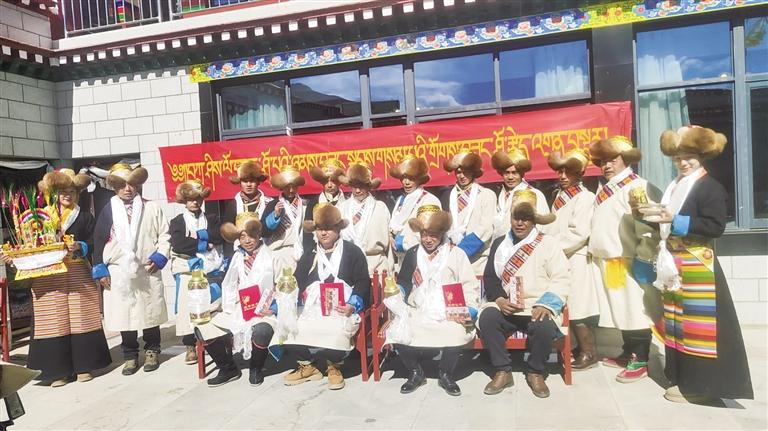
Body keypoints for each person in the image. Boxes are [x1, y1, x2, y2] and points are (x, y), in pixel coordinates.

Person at [646, 126, 752, 403]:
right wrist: (651, 217)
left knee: (697, 328)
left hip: (696, 263)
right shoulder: (676, 185)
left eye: (689, 156)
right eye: (678, 157)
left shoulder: (710, 187)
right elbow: (670, 220)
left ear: (701, 156)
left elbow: (716, 227)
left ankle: (699, 387)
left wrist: (674, 221)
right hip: (675, 263)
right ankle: (680, 377)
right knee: (676, 323)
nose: (683, 162)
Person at [0, 169, 111, 387]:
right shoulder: (37, 216)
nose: (67, 195)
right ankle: (57, 371)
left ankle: (84, 366)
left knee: (81, 316)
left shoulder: (84, 216)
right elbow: (28, 244)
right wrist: (14, 257)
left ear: (77, 193)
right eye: (62, 192)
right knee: (53, 319)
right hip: (47, 275)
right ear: (53, 193)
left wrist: (81, 245)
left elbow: (96, 241)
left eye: (72, 191)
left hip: (77, 271)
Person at [478, 190, 568, 398]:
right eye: (516, 218)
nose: (520, 223)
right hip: (506, 305)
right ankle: (502, 370)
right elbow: (490, 277)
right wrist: (499, 299)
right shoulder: (499, 243)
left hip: (535, 304)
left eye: (525, 218)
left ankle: (535, 371)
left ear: (534, 220)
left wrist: (545, 304)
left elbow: (562, 277)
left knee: (544, 326)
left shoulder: (548, 243)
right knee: (488, 318)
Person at [587, 136, 660, 383]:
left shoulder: (636, 186)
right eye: (602, 161)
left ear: (626, 160)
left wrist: (644, 258)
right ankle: (628, 351)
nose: (606, 165)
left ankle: (640, 358)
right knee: (620, 310)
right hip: (608, 259)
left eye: (612, 160)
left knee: (634, 309)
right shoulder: (606, 187)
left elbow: (649, 228)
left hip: (628, 260)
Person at [390, 205, 479, 396]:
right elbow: (404, 280)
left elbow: (469, 284)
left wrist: (469, 309)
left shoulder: (456, 253)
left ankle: (446, 374)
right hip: (418, 308)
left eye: (433, 235)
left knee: (456, 332)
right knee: (397, 331)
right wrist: (399, 292)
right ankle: (416, 372)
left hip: (448, 309)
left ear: (442, 233)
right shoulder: (413, 253)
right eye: (424, 234)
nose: (428, 239)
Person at [92, 163, 171, 376]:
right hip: (118, 271)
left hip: (147, 268)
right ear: (114, 187)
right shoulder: (108, 210)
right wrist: (100, 268)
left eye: (131, 184)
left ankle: (152, 350)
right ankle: (130, 355)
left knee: (149, 312)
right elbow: (98, 240)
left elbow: (164, 234)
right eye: (122, 185)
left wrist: (160, 255)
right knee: (124, 315)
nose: (127, 189)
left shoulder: (151, 207)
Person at [282, 204, 370, 390]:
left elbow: (363, 281)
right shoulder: (310, 253)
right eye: (320, 229)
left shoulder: (352, 251)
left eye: (328, 228)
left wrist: (352, 305)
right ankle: (307, 365)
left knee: (337, 327)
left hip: (342, 307)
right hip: (313, 307)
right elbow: (298, 279)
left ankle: (334, 366)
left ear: (338, 229)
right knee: (287, 325)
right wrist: (283, 299)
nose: (323, 233)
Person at [194, 213, 277, 387]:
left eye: (251, 235)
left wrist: (274, 308)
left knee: (262, 330)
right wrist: (211, 300)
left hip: (264, 309)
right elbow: (228, 284)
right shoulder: (237, 257)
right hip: (238, 307)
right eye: (242, 236)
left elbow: (285, 287)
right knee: (203, 325)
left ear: (259, 234)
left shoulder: (273, 256)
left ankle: (256, 368)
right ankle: (227, 368)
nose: (247, 240)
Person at [543, 149, 602, 370]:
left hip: (575, 257)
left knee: (579, 307)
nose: (563, 176)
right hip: (561, 257)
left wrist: (551, 247)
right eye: (560, 172)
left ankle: (589, 352)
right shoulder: (559, 195)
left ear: (579, 174)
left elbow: (579, 233)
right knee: (567, 305)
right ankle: (575, 348)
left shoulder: (585, 197)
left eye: (568, 172)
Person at [169, 180, 224, 365]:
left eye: (198, 199)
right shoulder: (178, 221)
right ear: (184, 201)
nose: (195, 202)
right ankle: (189, 345)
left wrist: (196, 235)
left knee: (213, 303)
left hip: (211, 268)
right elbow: (178, 243)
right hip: (188, 268)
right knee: (187, 304)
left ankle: (212, 339)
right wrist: (205, 244)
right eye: (191, 199)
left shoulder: (212, 218)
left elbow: (219, 235)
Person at [439, 151, 496, 275]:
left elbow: (486, 228)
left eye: (466, 172)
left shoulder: (486, 194)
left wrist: (461, 250)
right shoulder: (447, 196)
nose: (462, 176)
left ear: (473, 172)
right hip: (451, 259)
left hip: (478, 261)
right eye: (459, 172)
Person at [337, 162, 392, 276]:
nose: (357, 191)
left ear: (368, 186)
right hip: (350, 263)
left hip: (376, 263)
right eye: (354, 187)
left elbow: (389, 241)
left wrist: (391, 268)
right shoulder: (342, 208)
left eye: (361, 186)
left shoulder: (380, 207)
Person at [389, 155, 442, 268]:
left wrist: (400, 242)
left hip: (422, 260)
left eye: (411, 178)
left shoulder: (428, 199)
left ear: (419, 178)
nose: (406, 182)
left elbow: (430, 234)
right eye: (403, 178)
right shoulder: (400, 200)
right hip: (402, 260)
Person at [491, 148, 550, 238]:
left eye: (514, 173)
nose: (510, 177)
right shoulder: (499, 194)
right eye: (507, 173)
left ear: (522, 174)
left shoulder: (534, 193)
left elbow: (543, 227)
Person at [261, 165, 307, 276]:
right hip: (277, 254)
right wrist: (275, 215)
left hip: (299, 252)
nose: (291, 190)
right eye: (287, 187)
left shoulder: (305, 205)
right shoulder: (273, 205)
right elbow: (263, 231)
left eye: (294, 186)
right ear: (281, 186)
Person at [221, 161, 272, 257]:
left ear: (258, 182)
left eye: (252, 181)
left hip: (266, 252)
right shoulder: (233, 205)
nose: (248, 184)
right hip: (240, 254)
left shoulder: (268, 203)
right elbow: (228, 236)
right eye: (245, 181)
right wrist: (230, 256)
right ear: (240, 183)